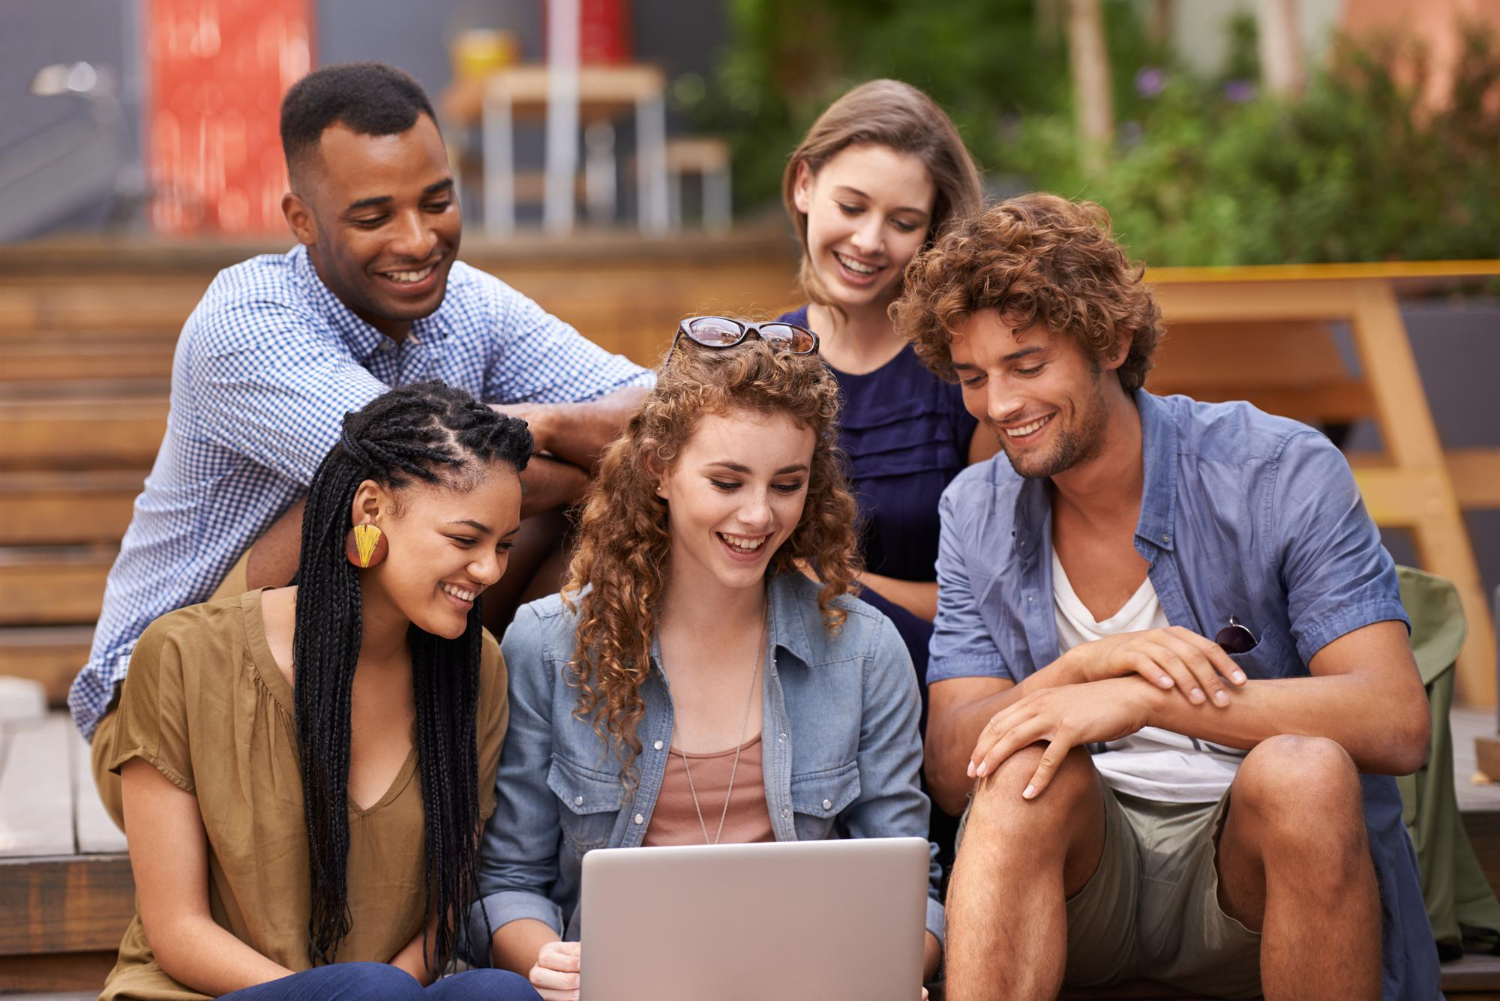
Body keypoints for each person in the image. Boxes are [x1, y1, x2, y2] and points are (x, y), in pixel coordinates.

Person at [70, 62, 652, 818]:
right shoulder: (247, 321)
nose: (418, 239)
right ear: (302, 218)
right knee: (357, 494)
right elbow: (424, 475)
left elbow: (667, 404)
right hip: (166, 721)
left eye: (437, 202)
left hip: (373, 686)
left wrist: (543, 428)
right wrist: (584, 467)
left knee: (614, 505)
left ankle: (528, 789)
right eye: (374, 217)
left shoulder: (465, 301)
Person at [895, 195, 1439, 1000]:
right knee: (1013, 777)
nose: (1000, 405)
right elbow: (950, 766)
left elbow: (1394, 720)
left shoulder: (1279, 469)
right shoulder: (975, 509)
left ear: (1111, 341)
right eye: (975, 378)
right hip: (1087, 885)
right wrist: (1086, 668)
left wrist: (1141, 701)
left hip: (1247, 870)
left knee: (1305, 771)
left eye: (1028, 364)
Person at [467, 323, 944, 999]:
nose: (758, 514)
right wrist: (552, 960)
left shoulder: (864, 649)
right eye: (727, 480)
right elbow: (509, 880)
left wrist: (892, 964)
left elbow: (911, 889)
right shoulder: (548, 641)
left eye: (787, 483)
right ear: (660, 469)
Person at [102, 383, 542, 1000]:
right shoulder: (184, 654)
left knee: (498, 994)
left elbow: (446, 907)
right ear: (369, 510)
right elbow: (176, 930)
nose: (491, 571)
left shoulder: (477, 668)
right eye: (465, 541)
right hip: (213, 993)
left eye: (503, 548)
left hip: (384, 995)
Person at [778, 79, 996, 721]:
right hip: (775, 696)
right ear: (803, 185)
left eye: (903, 222)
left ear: (932, 232)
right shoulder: (753, 365)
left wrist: (822, 585)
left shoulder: (968, 377)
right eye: (851, 206)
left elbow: (988, 606)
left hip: (932, 694)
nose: (870, 241)